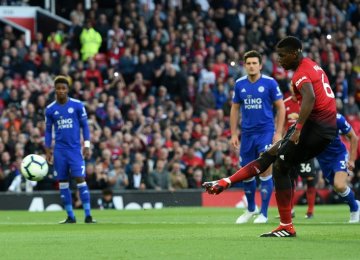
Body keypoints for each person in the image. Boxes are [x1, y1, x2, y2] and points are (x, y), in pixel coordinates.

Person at [203, 36, 337, 237]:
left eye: (283, 56)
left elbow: (310, 96)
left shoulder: (300, 73)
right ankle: (226, 182)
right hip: (321, 126)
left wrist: (298, 127)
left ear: (294, 53)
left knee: (280, 167)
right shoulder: (312, 65)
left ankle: (285, 225)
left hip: (315, 128)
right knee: (269, 155)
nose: (280, 61)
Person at [230, 50, 285, 224]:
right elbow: (234, 109)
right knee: (246, 172)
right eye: (249, 63)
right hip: (247, 134)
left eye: (255, 63)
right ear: (245, 65)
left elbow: (281, 108)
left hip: (265, 132)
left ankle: (264, 213)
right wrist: (233, 133)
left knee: (265, 169)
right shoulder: (239, 84)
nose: (252, 66)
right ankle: (250, 209)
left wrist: (278, 132)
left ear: (260, 65)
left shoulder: (269, 83)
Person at [45, 75, 96, 224]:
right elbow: (48, 131)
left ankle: (88, 215)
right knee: (63, 182)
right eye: (58, 88)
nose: (61, 91)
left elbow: (85, 126)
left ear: (68, 90)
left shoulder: (78, 105)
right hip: (59, 151)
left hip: (74, 150)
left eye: (63, 88)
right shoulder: (50, 109)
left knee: (80, 179)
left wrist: (86, 145)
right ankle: (70, 216)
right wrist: (48, 149)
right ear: (55, 90)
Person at [316, 113, 359, 223]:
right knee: (337, 188)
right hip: (322, 160)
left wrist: (352, 160)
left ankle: (355, 209)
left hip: (338, 155)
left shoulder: (337, 118)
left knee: (339, 185)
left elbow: (353, 137)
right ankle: (356, 204)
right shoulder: (308, 120)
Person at [283, 87, 317, 219]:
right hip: (290, 147)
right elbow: (282, 124)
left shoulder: (307, 102)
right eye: (290, 86)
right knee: (290, 178)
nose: (293, 88)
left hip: (305, 146)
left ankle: (310, 211)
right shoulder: (284, 103)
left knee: (309, 178)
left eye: (295, 86)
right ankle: (290, 210)